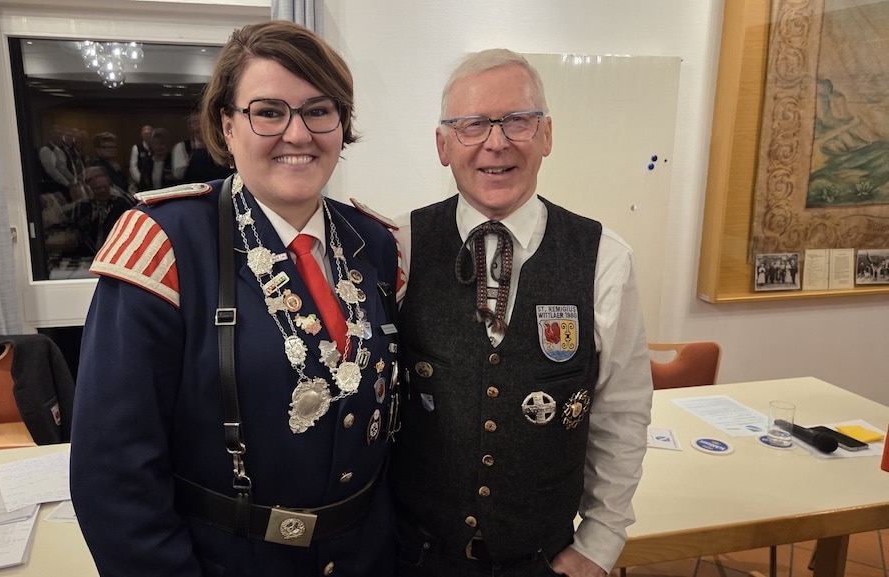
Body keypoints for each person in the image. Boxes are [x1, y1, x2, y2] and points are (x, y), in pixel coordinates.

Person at [70, 20, 400, 577]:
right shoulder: (164, 243)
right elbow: (114, 476)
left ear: (342, 124)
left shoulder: (377, 245)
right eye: (269, 112)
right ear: (227, 126)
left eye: (319, 111)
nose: (298, 134)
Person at [391, 49, 653, 577]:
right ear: (443, 145)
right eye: (472, 125)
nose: (497, 142)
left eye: (517, 120)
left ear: (546, 135)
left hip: (543, 560)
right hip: (413, 556)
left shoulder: (605, 259)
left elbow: (621, 413)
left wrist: (600, 542)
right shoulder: (398, 246)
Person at [69, 166, 134, 257]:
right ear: (91, 190)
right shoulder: (83, 207)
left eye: (105, 187)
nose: (103, 190)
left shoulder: (121, 204)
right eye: (98, 188)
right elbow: (77, 230)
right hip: (87, 256)